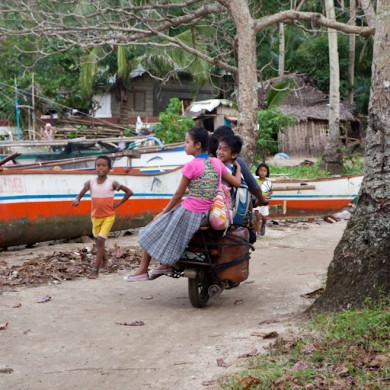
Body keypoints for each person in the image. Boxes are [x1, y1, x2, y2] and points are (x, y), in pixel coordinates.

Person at [124, 127, 242, 282]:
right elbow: (237, 183)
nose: (185, 145)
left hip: (190, 211)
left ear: (198, 145)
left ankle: (143, 270)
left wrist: (163, 212)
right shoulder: (216, 163)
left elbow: (179, 194)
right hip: (207, 213)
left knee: (152, 229)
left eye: (187, 142)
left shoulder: (191, 166)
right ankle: (161, 265)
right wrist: (238, 167)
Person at [72, 156, 133, 279]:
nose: (100, 168)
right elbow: (82, 192)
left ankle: (96, 269)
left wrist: (119, 204)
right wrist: (77, 199)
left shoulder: (112, 183)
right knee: (98, 241)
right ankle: (104, 258)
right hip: (95, 217)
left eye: (103, 165)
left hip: (108, 216)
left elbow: (129, 192)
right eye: (98, 165)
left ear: (109, 169)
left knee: (100, 240)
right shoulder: (91, 182)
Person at [209, 126, 268, 208]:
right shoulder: (235, 161)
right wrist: (261, 199)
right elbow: (253, 186)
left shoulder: (207, 158)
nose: (220, 151)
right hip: (223, 206)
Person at [253, 163, 273, 236]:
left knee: (264, 217)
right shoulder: (254, 181)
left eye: (264, 171)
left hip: (264, 202)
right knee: (257, 215)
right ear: (258, 171)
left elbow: (270, 191)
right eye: (261, 170)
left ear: (267, 172)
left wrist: (263, 196)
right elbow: (253, 190)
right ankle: (257, 231)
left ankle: (263, 226)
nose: (262, 172)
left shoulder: (268, 182)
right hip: (257, 202)